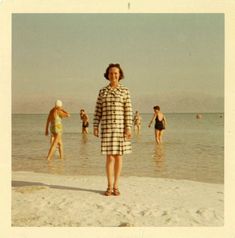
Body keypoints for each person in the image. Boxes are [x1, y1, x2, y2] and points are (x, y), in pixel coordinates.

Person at [93, 63, 133, 196]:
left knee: (118, 157)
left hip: (121, 128)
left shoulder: (125, 91)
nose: (113, 75)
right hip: (107, 128)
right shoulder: (102, 92)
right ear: (107, 75)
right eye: (111, 73)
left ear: (120, 75)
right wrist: (95, 126)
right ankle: (109, 186)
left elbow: (128, 110)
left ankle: (116, 186)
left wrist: (128, 128)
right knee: (109, 158)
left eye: (116, 73)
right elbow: (98, 110)